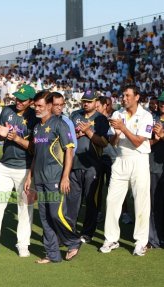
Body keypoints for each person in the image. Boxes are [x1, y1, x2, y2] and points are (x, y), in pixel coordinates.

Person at [0, 84, 38, 257]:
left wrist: (16, 138)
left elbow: (35, 148)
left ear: (31, 102)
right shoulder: (6, 111)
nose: (18, 101)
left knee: (25, 208)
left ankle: (23, 244)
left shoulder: (35, 117)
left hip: (25, 168)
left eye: (23, 99)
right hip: (4, 166)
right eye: (17, 97)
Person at [24, 91, 81, 263]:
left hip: (55, 177)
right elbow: (36, 155)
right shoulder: (36, 127)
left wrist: (65, 177)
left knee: (56, 214)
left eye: (40, 105)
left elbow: (69, 151)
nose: (37, 108)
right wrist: (30, 176)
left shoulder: (59, 124)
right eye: (36, 105)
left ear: (49, 106)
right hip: (40, 179)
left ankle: (73, 241)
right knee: (45, 218)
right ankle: (52, 254)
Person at [100, 85, 153, 256]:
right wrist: (116, 133)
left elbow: (138, 142)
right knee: (112, 200)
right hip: (120, 159)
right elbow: (113, 142)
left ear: (137, 97)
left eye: (128, 95)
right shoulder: (117, 114)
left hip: (139, 159)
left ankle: (140, 242)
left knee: (141, 201)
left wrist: (123, 128)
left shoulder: (146, 116)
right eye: (123, 95)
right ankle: (110, 239)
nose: (124, 98)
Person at [68, 90, 109, 244]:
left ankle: (87, 233)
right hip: (73, 163)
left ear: (96, 102)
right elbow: (67, 135)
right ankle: (69, 231)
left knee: (91, 201)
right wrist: (75, 135)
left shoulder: (101, 119)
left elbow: (104, 142)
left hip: (92, 165)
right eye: (84, 101)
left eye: (89, 101)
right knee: (72, 201)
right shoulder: (74, 115)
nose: (86, 104)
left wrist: (89, 132)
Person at [148, 91, 164, 248]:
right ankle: (153, 239)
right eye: (160, 102)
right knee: (154, 205)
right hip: (154, 167)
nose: (162, 105)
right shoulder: (152, 119)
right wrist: (155, 138)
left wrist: (162, 134)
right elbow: (145, 143)